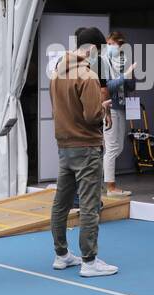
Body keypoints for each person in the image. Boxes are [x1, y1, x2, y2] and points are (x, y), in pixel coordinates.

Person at [48, 26, 117, 277]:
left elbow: (57, 110)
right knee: (89, 204)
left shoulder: (57, 73)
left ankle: (61, 254)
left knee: (61, 202)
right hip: (87, 146)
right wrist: (103, 107)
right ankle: (89, 260)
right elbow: (91, 115)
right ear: (94, 49)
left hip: (64, 146)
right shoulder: (88, 76)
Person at [101, 30, 133, 197]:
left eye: (113, 44)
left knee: (118, 147)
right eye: (109, 44)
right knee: (112, 148)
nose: (110, 47)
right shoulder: (104, 63)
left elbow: (131, 87)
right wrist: (123, 77)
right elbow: (106, 88)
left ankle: (96, 177)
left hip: (121, 106)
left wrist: (128, 75)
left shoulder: (123, 61)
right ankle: (111, 187)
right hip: (109, 108)